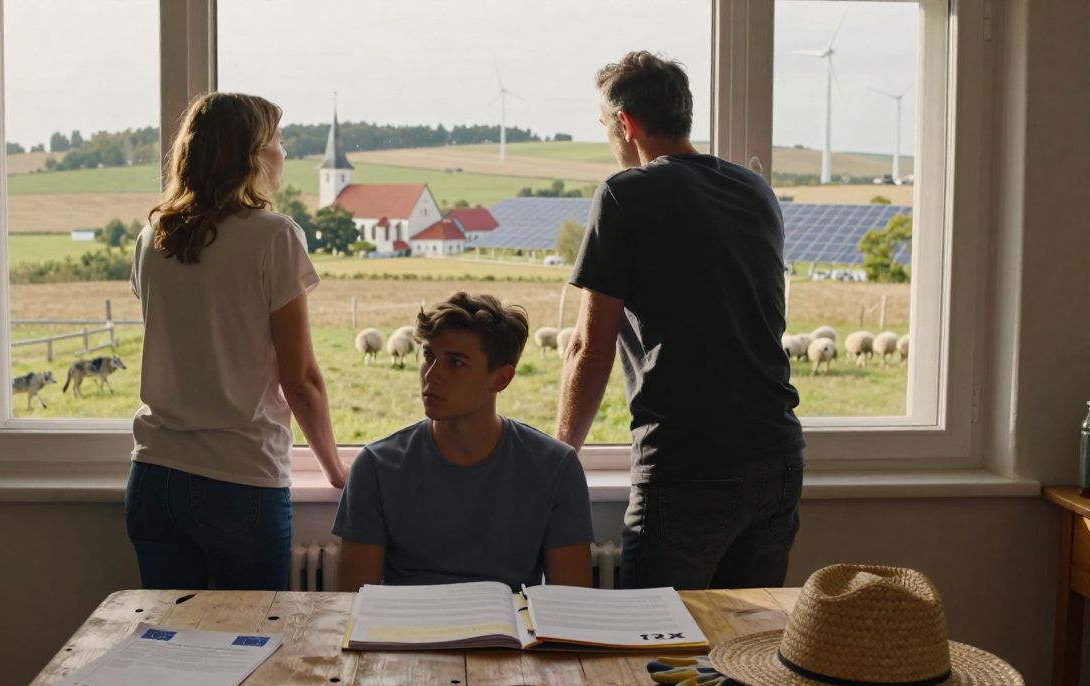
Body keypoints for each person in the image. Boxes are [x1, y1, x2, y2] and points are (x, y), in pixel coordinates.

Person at [556, 52, 805, 591]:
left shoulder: (625, 193)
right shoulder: (755, 190)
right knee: (746, 645)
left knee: (652, 647)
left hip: (687, 461)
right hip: (776, 456)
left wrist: (558, 457)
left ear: (626, 122)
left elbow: (588, 349)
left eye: (605, 126)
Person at [126, 92, 347, 591]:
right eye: (278, 141)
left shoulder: (153, 236)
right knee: (251, 648)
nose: (284, 153)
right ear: (252, 156)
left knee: (171, 651)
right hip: (238, 480)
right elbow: (301, 378)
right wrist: (336, 471)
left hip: (154, 475)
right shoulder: (274, 237)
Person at [333, 293, 594, 592]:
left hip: (509, 636)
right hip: (408, 633)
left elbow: (572, 607)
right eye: (429, 356)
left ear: (501, 379)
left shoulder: (555, 468)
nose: (431, 375)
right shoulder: (376, 466)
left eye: (455, 363)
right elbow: (352, 605)